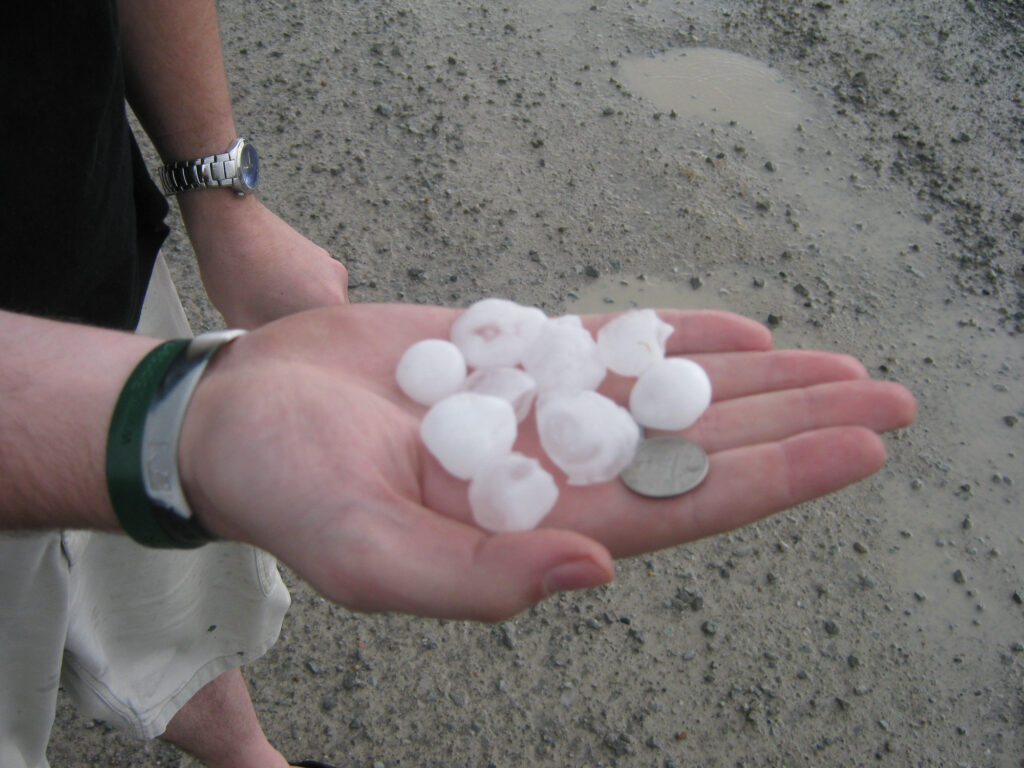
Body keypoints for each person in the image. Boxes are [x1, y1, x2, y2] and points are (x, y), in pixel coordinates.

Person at [0, 2, 917, 768]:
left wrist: (216, 195)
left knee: (165, 589)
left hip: (98, 258)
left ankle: (250, 761)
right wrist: (176, 427)